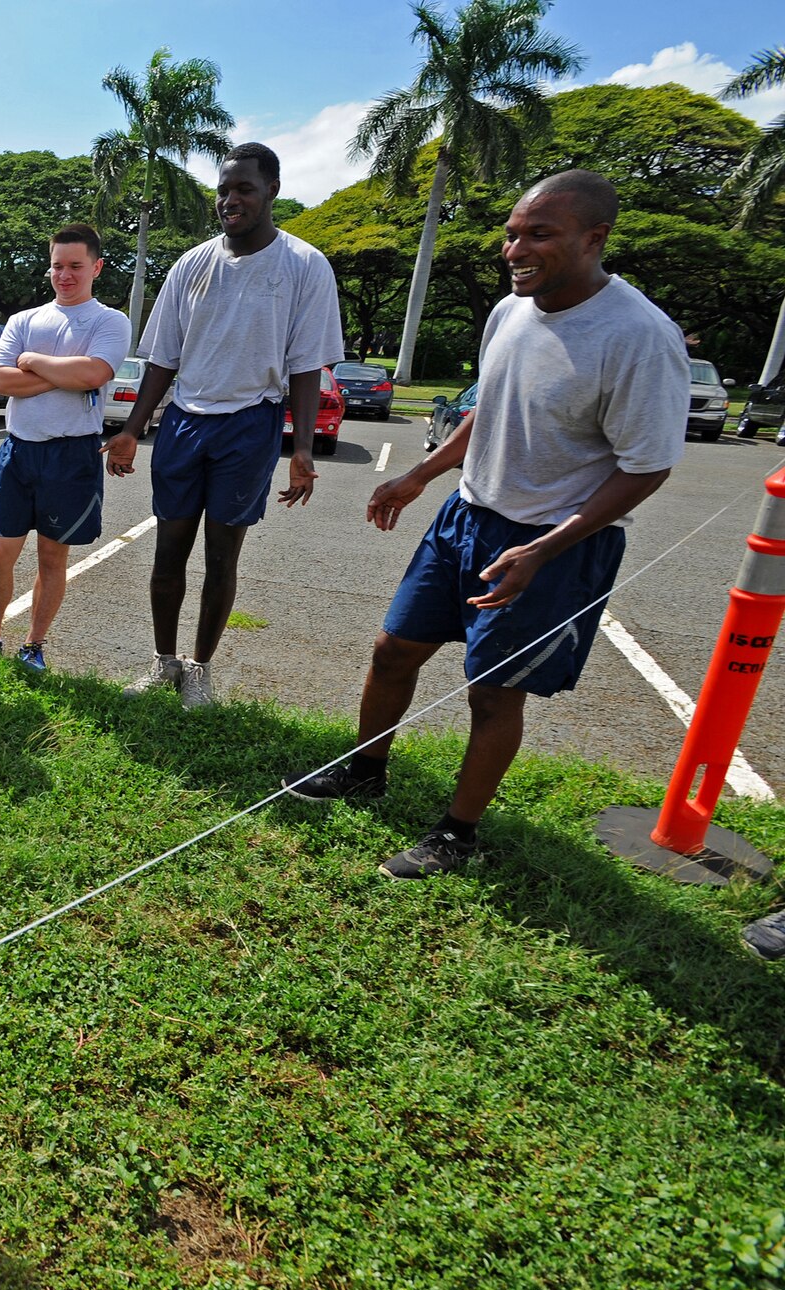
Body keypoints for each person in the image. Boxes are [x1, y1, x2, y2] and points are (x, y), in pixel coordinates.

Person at [281, 171, 686, 880]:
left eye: (538, 234)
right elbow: (488, 409)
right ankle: (365, 770)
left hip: (552, 544)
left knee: (494, 691)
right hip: (466, 517)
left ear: (595, 239)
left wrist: (545, 547)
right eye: (511, 232)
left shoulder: (640, 336)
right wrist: (421, 473)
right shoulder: (510, 312)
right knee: (392, 650)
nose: (515, 248)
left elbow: (648, 467)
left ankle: (456, 833)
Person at [104, 142, 343, 708]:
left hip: (250, 423)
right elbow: (164, 356)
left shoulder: (305, 266)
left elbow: (307, 365)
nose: (231, 200)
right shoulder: (192, 264)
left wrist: (303, 449)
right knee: (169, 551)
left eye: (244, 190)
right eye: (224, 190)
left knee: (221, 556)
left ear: (271, 193)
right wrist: (132, 430)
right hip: (186, 422)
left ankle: (200, 669)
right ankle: (164, 663)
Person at [0, 223, 130, 671]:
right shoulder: (24, 319)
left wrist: (30, 361)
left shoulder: (109, 320)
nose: (65, 275)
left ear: (97, 267)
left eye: (75, 266)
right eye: (57, 266)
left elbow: (93, 376)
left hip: (72, 453)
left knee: (53, 556)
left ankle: (33, 645)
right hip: (19, 450)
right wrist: (62, 373)